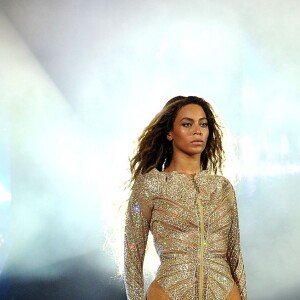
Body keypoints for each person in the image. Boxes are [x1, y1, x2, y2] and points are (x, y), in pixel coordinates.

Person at [124, 96, 247, 300]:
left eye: (203, 124)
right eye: (187, 124)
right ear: (170, 133)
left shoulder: (222, 187)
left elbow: (235, 255)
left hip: (225, 293)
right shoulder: (151, 185)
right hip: (168, 293)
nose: (197, 130)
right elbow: (132, 256)